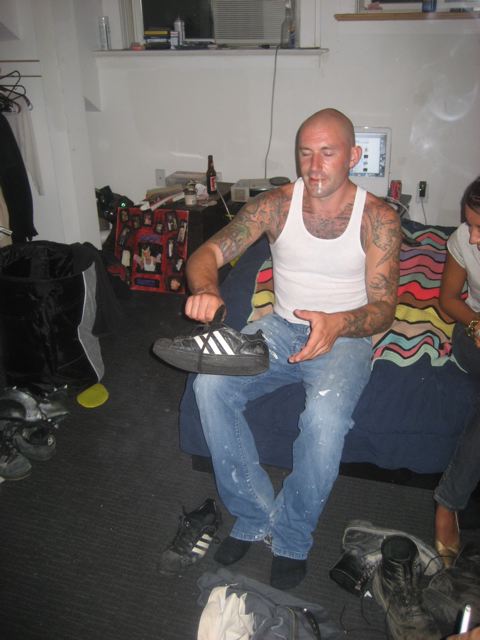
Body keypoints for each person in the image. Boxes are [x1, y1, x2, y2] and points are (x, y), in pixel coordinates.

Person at [185, 108, 402, 589]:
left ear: (354, 156)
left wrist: (338, 322)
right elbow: (207, 253)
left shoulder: (379, 219)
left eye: (328, 153)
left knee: (325, 421)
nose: (314, 166)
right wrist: (208, 289)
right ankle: (253, 514)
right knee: (209, 384)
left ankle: (291, 534)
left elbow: (385, 309)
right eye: (306, 153)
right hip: (281, 328)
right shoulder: (276, 205)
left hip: (345, 337)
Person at [434, 176, 480, 567]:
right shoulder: (462, 240)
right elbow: (448, 299)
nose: (473, 236)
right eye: (470, 223)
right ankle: (448, 502)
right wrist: (477, 324)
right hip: (472, 333)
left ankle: (448, 503)